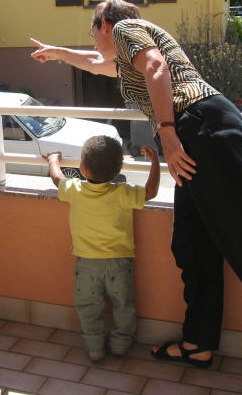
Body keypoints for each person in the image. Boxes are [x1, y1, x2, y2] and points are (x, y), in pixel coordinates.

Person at [31, 0, 242, 395]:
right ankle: (198, 343)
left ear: (104, 25)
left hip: (200, 126)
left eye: (92, 33)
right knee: (192, 244)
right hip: (194, 132)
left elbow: (157, 67)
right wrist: (58, 53)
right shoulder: (126, 54)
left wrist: (166, 132)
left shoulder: (126, 29)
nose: (92, 41)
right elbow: (95, 62)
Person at [45, 135, 159, 361]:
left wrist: (53, 159)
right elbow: (150, 192)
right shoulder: (123, 192)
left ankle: (95, 347)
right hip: (120, 262)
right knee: (123, 306)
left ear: (84, 169)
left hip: (87, 263)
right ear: (118, 170)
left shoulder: (75, 189)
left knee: (88, 307)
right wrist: (155, 162)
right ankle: (120, 344)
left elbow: (57, 178)